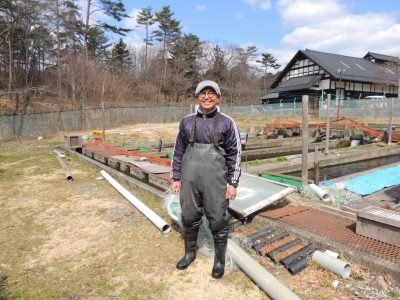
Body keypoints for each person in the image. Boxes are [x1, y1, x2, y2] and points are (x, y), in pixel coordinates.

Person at [170, 80, 242, 279]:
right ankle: (189, 253)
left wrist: (233, 183)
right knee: (189, 216)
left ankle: (219, 261)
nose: (207, 96)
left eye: (212, 93)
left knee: (218, 219)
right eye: (203, 93)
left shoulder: (227, 123)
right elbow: (178, 151)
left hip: (216, 181)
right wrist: (176, 177)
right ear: (197, 97)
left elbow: (235, 155)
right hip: (189, 180)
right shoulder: (186, 122)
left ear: (218, 98)